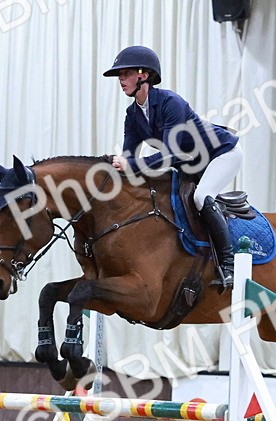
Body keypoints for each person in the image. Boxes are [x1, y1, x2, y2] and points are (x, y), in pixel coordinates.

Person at [104, 45, 243, 291]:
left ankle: (229, 264)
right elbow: (129, 157)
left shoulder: (171, 103)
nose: (120, 80)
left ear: (143, 75)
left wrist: (131, 165)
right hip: (189, 162)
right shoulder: (132, 114)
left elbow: (170, 154)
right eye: (119, 76)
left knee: (202, 197)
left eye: (125, 74)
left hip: (221, 153)